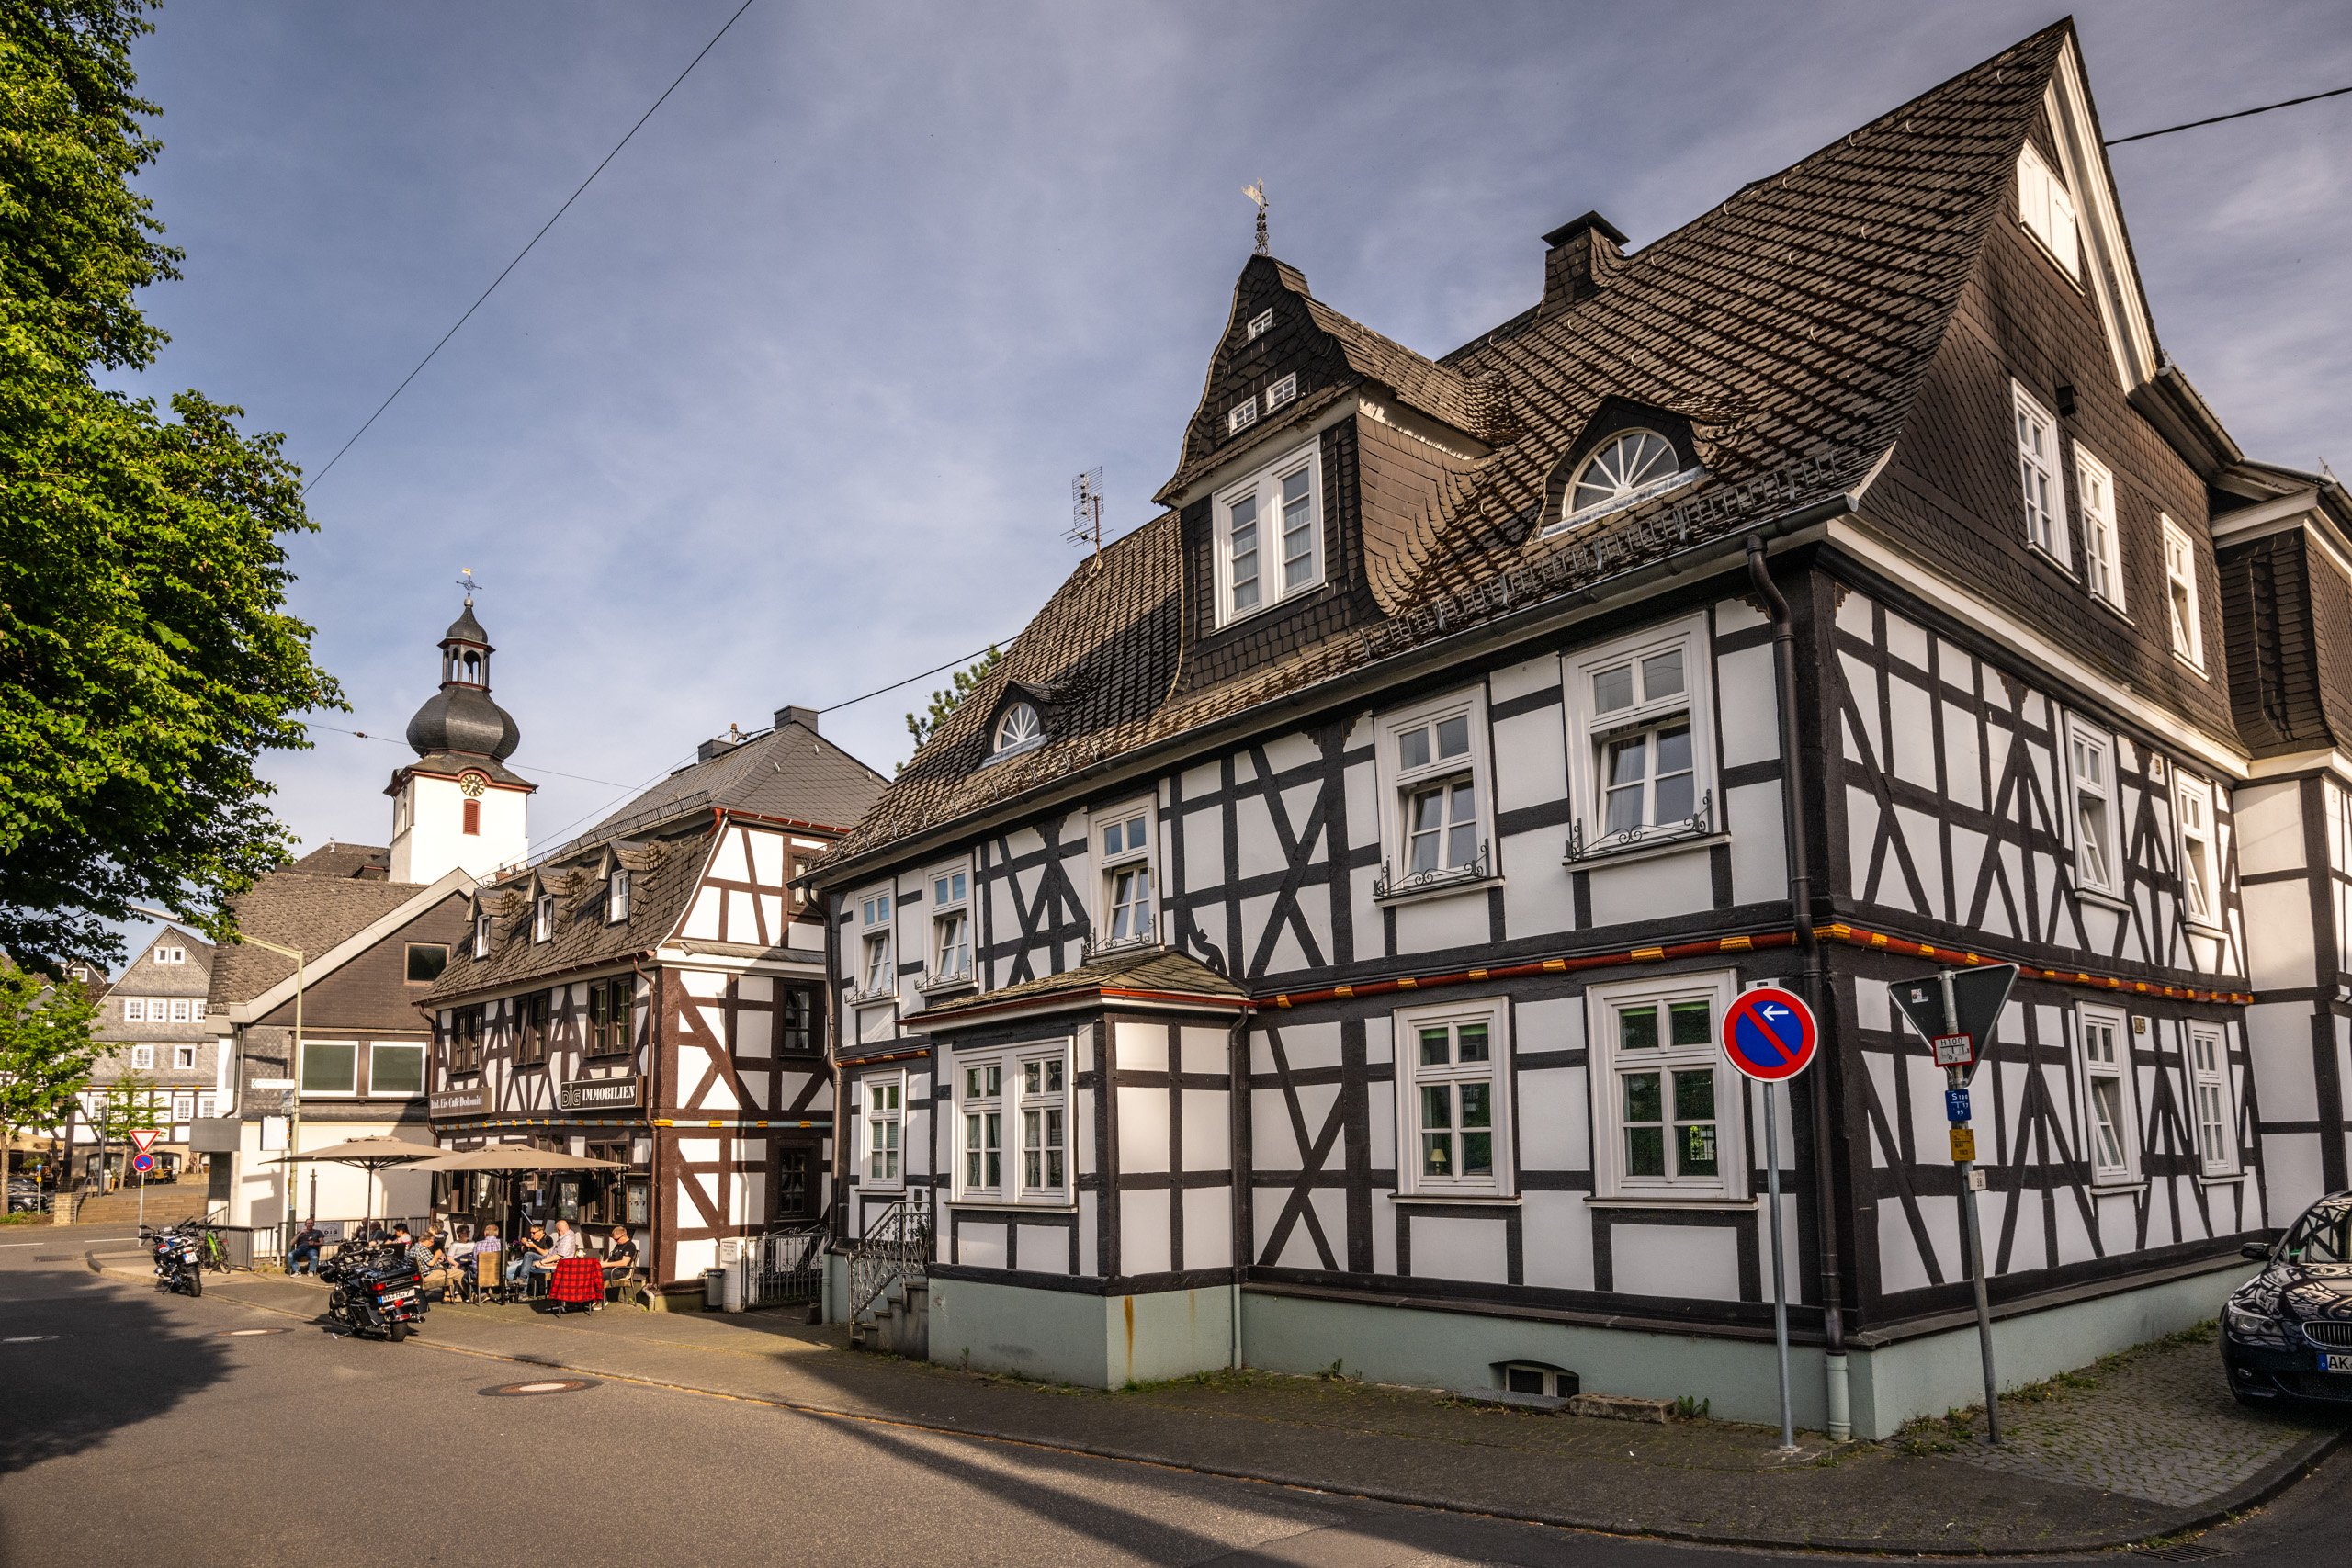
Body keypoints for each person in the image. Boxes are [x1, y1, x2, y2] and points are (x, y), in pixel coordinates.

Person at [596, 1225, 639, 1313]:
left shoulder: (630, 1246)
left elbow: (624, 1263)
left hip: (621, 1271)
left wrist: (606, 1265)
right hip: (612, 1268)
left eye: (616, 1239)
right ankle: (593, 1297)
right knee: (594, 1272)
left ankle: (602, 1300)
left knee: (601, 1274)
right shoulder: (618, 1245)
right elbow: (611, 1258)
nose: (615, 1241)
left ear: (624, 1235)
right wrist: (603, 1263)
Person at [504, 1222, 550, 1289]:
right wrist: (524, 1244)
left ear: (541, 1231)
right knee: (504, 1269)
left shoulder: (548, 1239)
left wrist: (534, 1246)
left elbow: (546, 1254)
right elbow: (523, 1251)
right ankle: (521, 1285)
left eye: (533, 1233)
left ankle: (523, 1285)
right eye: (530, 1233)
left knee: (508, 1271)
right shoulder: (532, 1239)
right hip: (525, 1260)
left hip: (539, 1262)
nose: (531, 1235)